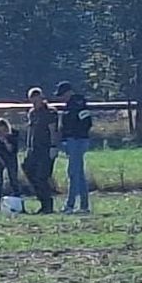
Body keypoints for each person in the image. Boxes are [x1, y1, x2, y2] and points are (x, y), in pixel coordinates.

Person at [54, 80, 94, 214]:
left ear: (69, 92)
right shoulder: (69, 106)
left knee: (73, 173)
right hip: (72, 141)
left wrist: (76, 136)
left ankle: (70, 205)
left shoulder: (78, 104)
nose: (62, 97)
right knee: (79, 174)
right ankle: (84, 205)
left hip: (78, 141)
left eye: (63, 94)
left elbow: (87, 123)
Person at [22, 87, 58, 214]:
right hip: (34, 149)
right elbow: (30, 131)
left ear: (41, 98)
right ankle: (41, 198)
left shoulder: (50, 112)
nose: (34, 104)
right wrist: (28, 147)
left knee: (42, 176)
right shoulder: (32, 113)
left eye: (36, 101)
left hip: (46, 148)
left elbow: (53, 130)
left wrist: (53, 146)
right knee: (27, 169)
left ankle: (47, 204)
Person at [0, 117, 22, 210]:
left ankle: (18, 203)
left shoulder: (14, 134)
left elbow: (13, 150)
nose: (1, 132)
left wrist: (5, 141)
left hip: (11, 158)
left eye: (4, 130)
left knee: (14, 180)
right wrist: (2, 162)